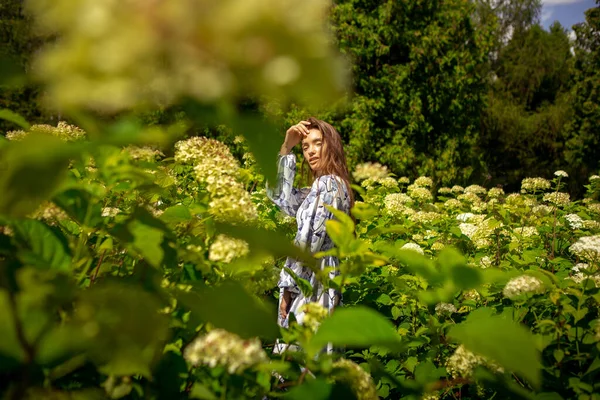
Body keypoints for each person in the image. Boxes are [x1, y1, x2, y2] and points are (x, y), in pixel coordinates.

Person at [267, 117, 354, 352]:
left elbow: (307, 244)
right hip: (324, 279)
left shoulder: (328, 185)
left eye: (318, 143)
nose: (311, 152)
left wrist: (288, 288)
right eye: (306, 147)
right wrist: (286, 148)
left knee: (296, 358)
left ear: (332, 145)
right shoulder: (328, 187)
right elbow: (281, 198)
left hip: (311, 282)